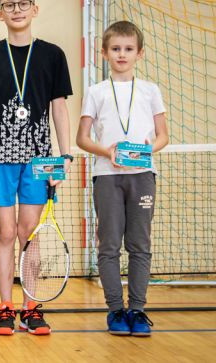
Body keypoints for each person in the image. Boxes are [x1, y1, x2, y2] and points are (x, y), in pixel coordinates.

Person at [0, 0, 73, 335]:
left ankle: (30, 307)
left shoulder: (53, 55)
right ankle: (5, 306)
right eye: (9, 5)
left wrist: (64, 157)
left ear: (35, 9)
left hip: (40, 160)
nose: (16, 9)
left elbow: (58, 109)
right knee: (6, 234)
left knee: (30, 235)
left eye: (23, 3)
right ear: (0, 13)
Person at [76, 20, 168, 336]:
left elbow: (163, 136)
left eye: (128, 49)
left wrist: (147, 148)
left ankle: (138, 311)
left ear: (139, 53)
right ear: (104, 53)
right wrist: (107, 151)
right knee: (110, 245)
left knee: (140, 244)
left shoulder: (151, 91)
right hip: (107, 176)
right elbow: (82, 138)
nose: (122, 54)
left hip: (142, 175)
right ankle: (116, 310)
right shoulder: (96, 91)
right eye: (115, 49)